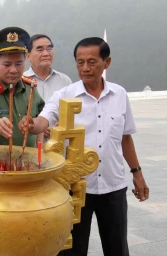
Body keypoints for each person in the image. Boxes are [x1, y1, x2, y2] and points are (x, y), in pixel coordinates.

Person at [18, 37, 150, 256]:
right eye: (80, 62)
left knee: (117, 247)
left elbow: (125, 138)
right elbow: (44, 119)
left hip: (113, 186)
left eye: (92, 62)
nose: (85, 68)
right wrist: (32, 125)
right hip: (76, 188)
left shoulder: (119, 95)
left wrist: (137, 173)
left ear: (106, 62)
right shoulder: (66, 95)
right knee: (73, 248)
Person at [0, 27, 45, 147]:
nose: (13, 70)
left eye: (18, 64)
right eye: (7, 64)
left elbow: (40, 120)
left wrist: (39, 149)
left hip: (28, 161)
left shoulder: (31, 88)